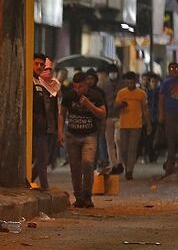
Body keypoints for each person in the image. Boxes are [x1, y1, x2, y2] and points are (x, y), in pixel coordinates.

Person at [60, 72, 107, 207]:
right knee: (75, 167)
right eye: (75, 87)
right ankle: (78, 196)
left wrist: (88, 104)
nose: (77, 90)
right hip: (72, 135)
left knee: (87, 162)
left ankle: (87, 195)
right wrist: (60, 132)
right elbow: (62, 114)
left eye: (80, 87)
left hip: (89, 135)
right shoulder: (69, 96)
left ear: (86, 84)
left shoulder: (95, 95)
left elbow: (103, 114)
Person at [114, 72, 149, 180]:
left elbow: (145, 109)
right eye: (128, 82)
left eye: (132, 82)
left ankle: (130, 171)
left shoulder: (141, 94)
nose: (130, 84)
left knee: (132, 149)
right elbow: (115, 107)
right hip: (123, 125)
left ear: (135, 82)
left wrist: (148, 124)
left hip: (136, 125)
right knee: (124, 149)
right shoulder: (121, 93)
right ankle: (126, 166)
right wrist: (121, 105)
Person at [158, 61, 178, 175]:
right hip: (170, 114)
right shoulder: (166, 83)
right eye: (171, 68)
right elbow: (161, 98)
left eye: (176, 68)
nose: (174, 70)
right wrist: (161, 114)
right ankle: (170, 163)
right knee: (171, 139)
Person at [31, 53, 56, 190]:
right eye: (37, 64)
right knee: (40, 158)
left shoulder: (40, 82)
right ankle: (43, 186)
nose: (39, 67)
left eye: (42, 65)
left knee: (42, 159)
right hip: (32, 127)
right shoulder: (29, 81)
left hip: (42, 127)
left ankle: (42, 185)